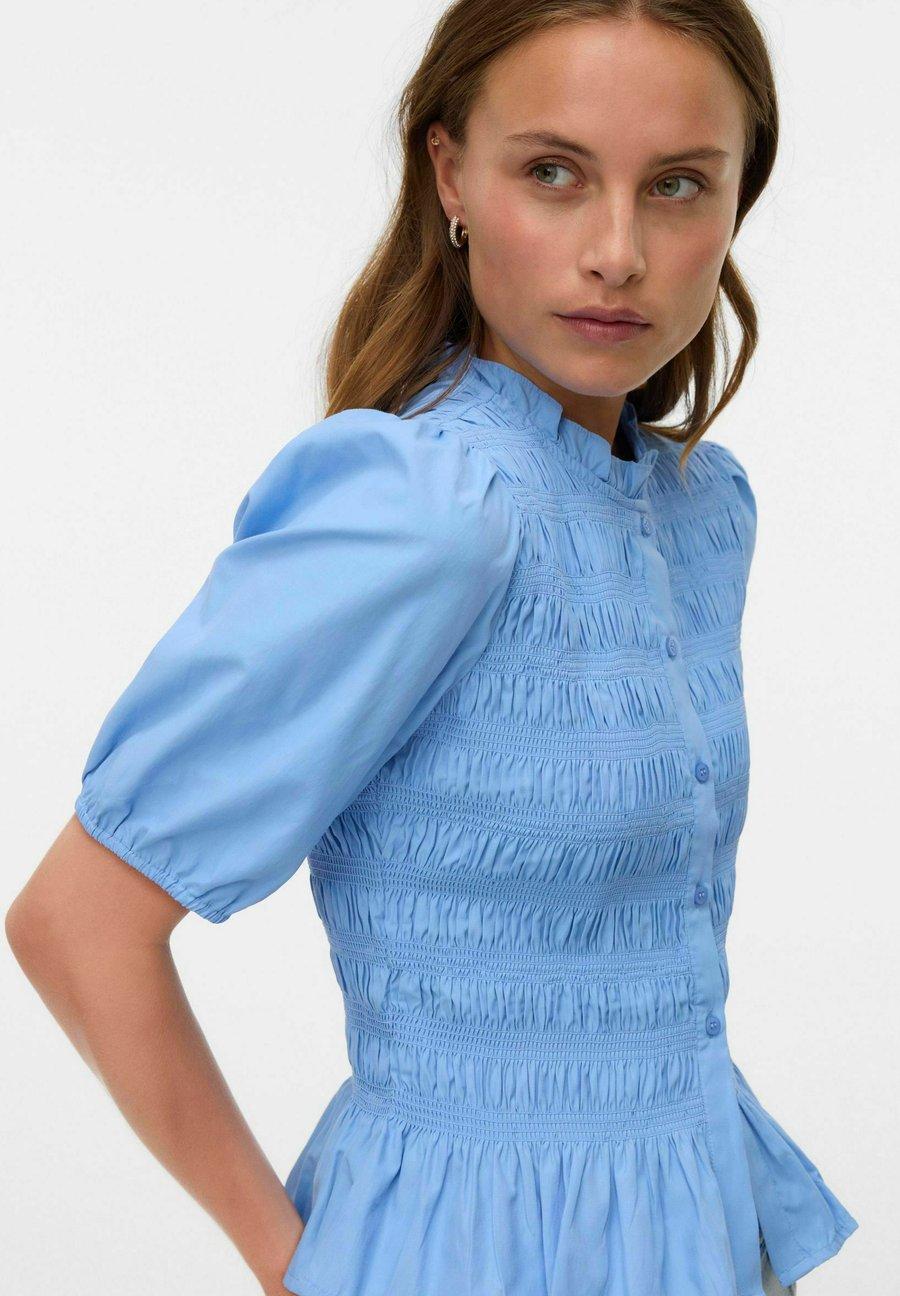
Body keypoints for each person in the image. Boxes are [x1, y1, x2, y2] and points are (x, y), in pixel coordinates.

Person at [6, 3, 859, 1295]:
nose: (618, 254)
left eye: (678, 185)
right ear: (450, 173)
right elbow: (78, 923)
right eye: (554, 173)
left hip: (696, 1235)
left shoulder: (701, 510)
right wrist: (294, 1266)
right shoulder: (425, 507)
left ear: (742, 196)